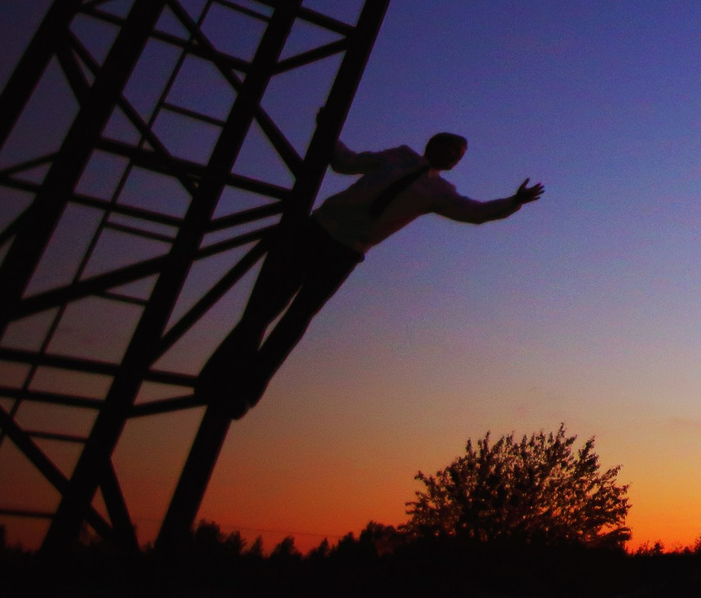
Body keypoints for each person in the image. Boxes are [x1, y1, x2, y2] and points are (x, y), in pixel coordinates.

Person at [202, 128, 544, 417]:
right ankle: (216, 377)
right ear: (433, 145)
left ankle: (245, 391)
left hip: (346, 251)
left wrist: (513, 201)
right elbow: (346, 162)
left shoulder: (440, 192)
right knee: (266, 307)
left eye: (460, 155)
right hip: (318, 230)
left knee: (297, 318)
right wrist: (328, 130)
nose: (456, 158)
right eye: (453, 150)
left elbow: (475, 212)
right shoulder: (399, 157)